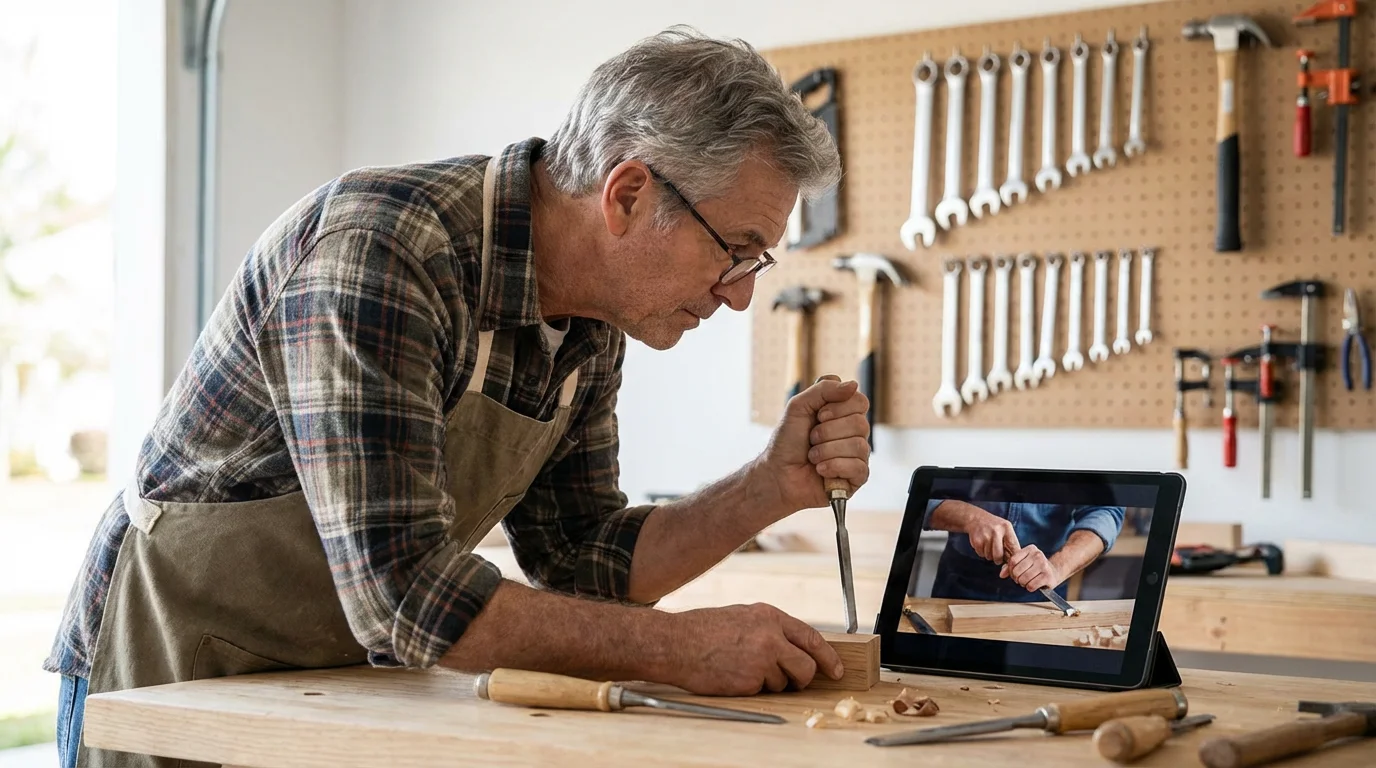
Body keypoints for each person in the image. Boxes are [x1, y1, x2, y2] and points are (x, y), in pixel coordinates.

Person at [46, 27, 869, 767]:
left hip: (334, 683)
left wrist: (766, 487)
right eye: (737, 251)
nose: (737, 297)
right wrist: (682, 649)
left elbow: (580, 560)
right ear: (626, 196)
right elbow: (404, 598)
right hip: (174, 672)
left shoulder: (588, 326)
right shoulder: (385, 250)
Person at [921, 497, 1125, 603]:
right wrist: (971, 518)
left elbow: (1105, 510)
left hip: (1042, 585)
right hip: (958, 581)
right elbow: (924, 500)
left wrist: (1057, 568)